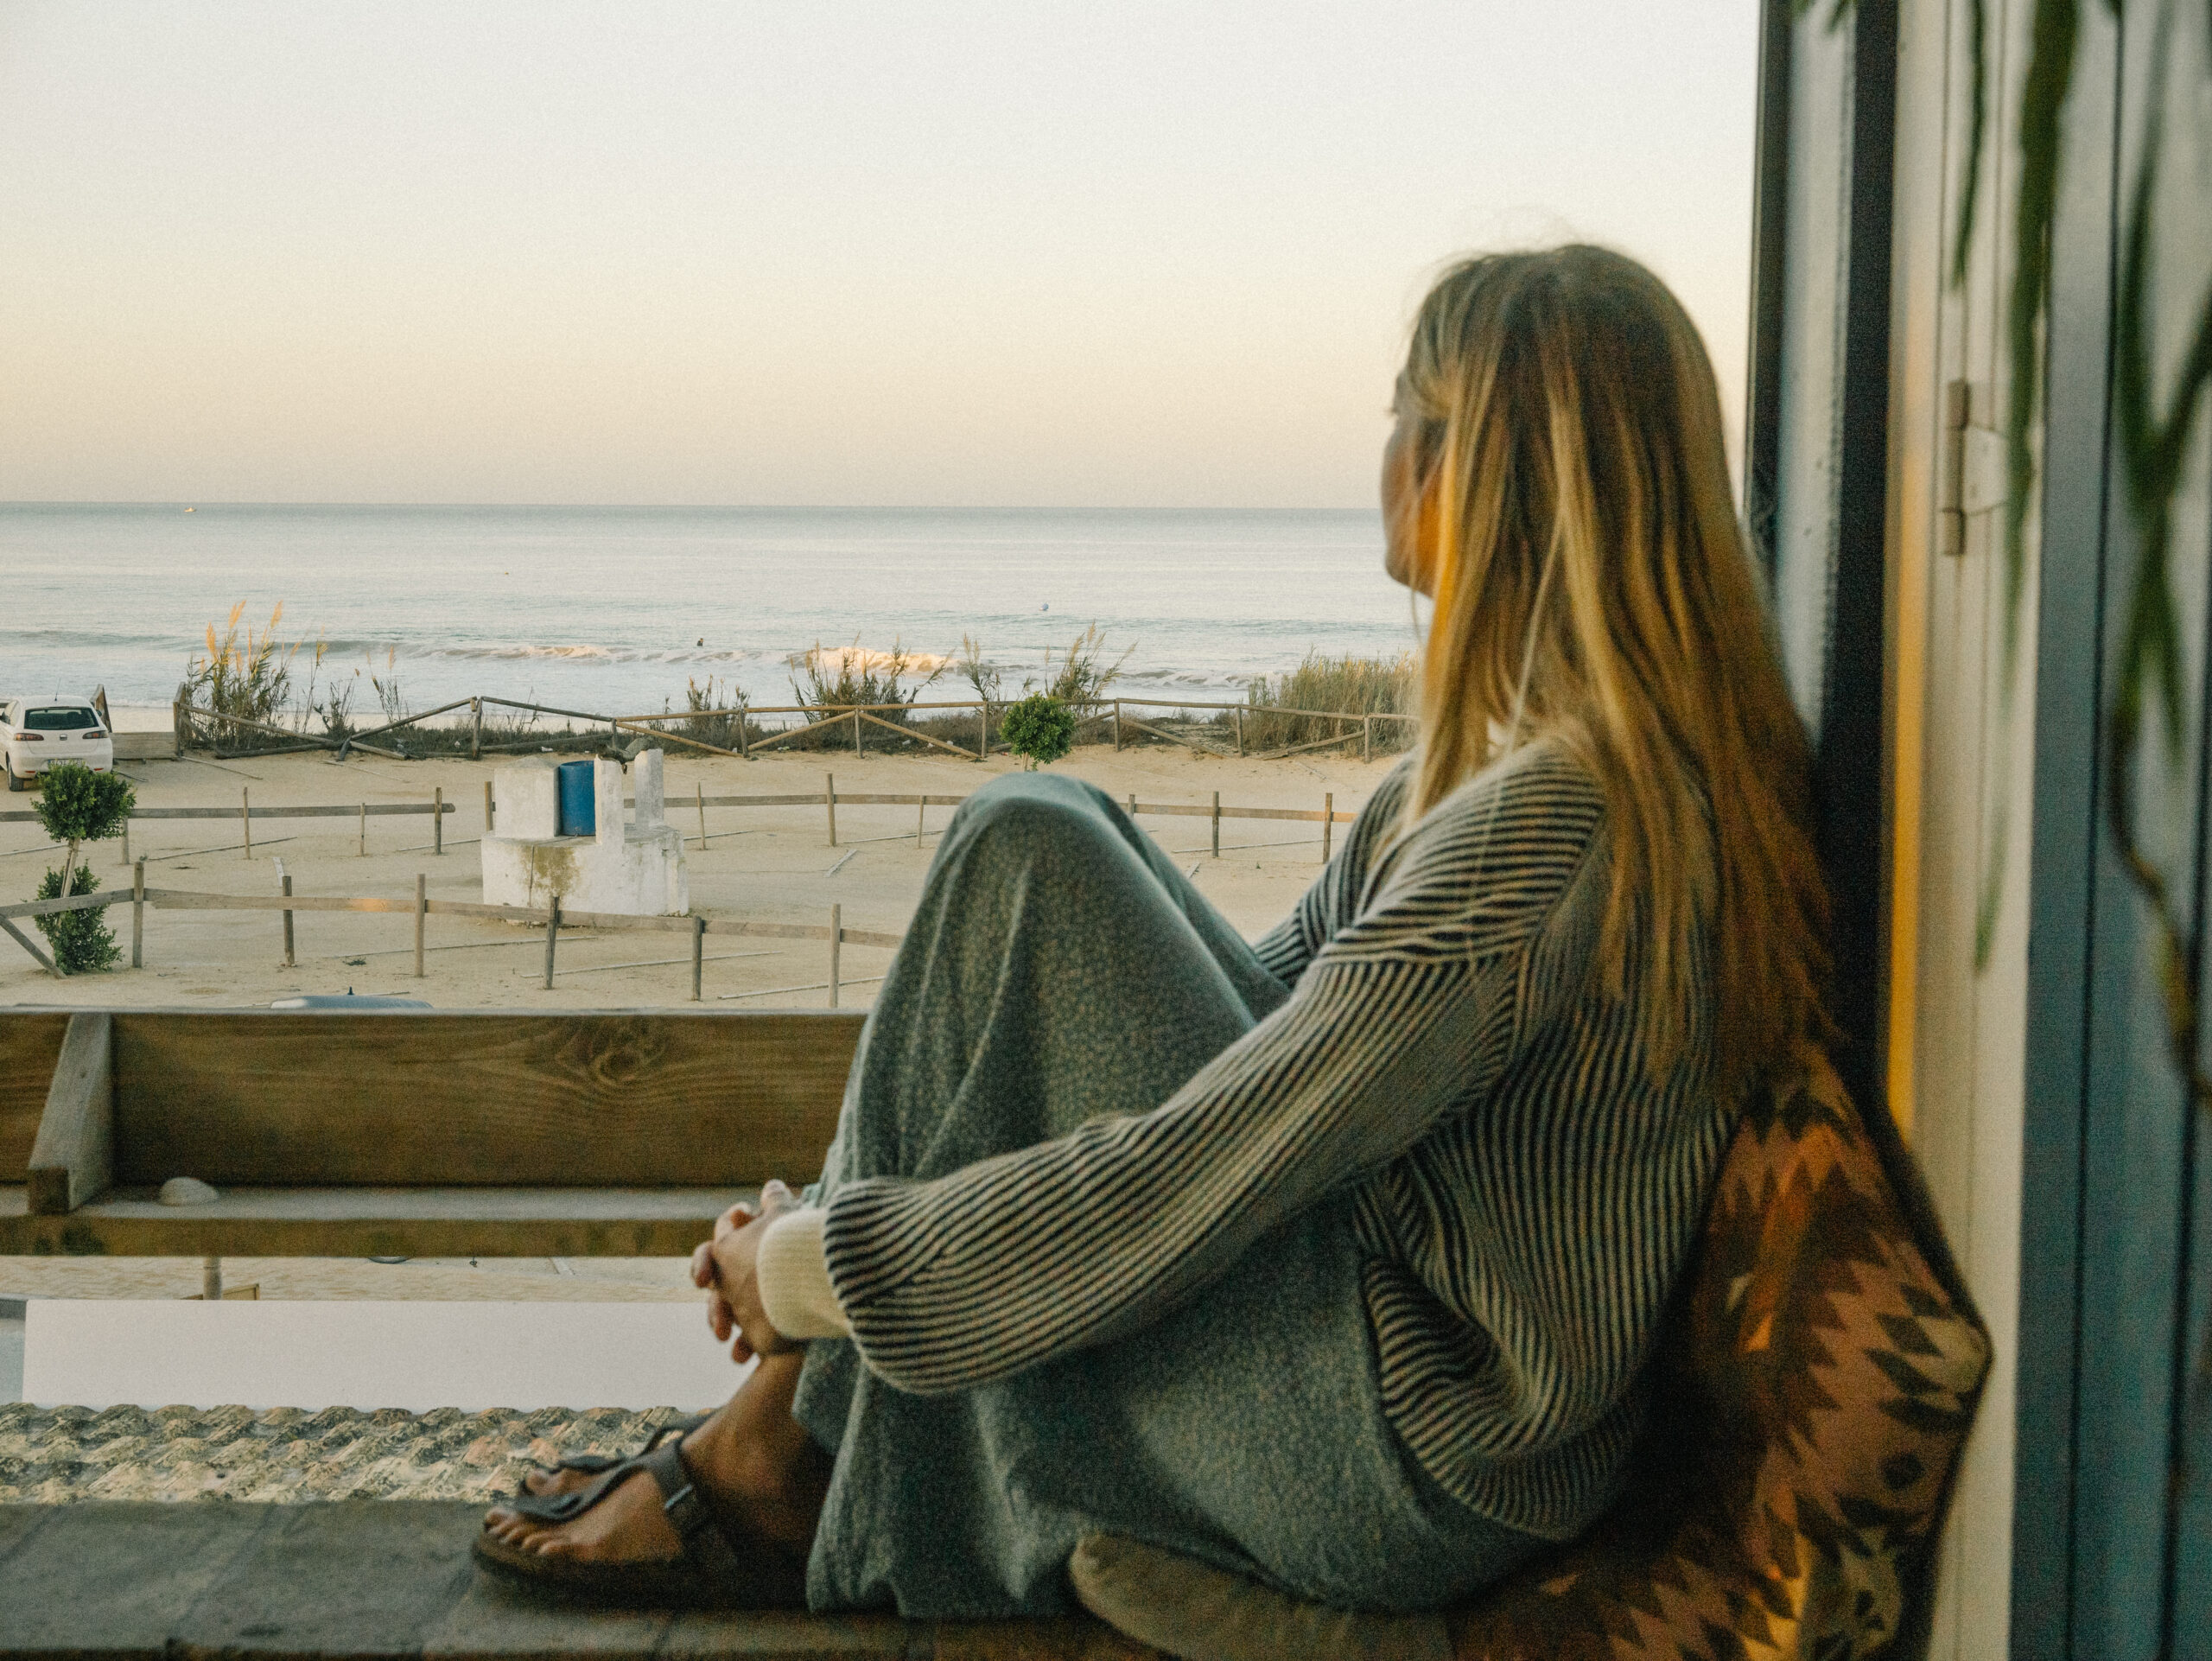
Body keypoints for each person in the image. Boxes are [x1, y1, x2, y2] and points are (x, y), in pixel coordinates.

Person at [476, 245, 1830, 1621]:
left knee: (1028, 838)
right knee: (1036, 845)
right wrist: (817, 1247)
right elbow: (1261, 1018)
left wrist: (810, 1271)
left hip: (1407, 1461)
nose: (1385, 457)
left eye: (1406, 419)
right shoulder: (1510, 782)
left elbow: (1207, 1157)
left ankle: (773, 1450)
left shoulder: (1553, 829)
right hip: (1418, 1402)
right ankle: (778, 1435)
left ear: (1481, 473)